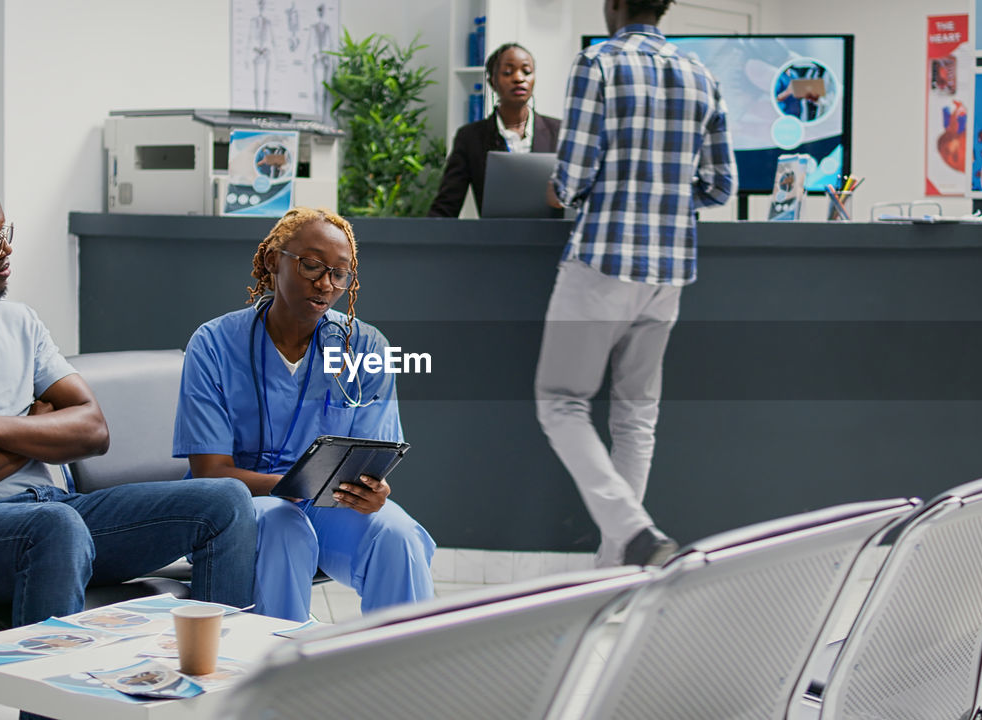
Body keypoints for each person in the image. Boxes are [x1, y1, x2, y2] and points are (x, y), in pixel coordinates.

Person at [0, 163, 258, 629]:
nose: (6, 249)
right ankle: (54, 703)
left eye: (5, 232)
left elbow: (92, 430)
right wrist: (32, 430)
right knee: (54, 528)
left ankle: (215, 688)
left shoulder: (19, 321)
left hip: (56, 512)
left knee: (224, 500)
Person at [537, 0, 737, 568]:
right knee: (635, 416)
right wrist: (667, 202)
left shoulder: (597, 63)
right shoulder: (703, 75)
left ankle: (634, 532)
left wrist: (566, 190)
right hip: (668, 272)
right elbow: (721, 187)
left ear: (614, 5)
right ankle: (618, 569)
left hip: (602, 263)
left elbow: (571, 177)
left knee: (561, 404)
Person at [173, 207, 435, 621]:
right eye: (312, 265)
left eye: (339, 273)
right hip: (242, 503)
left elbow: (371, 457)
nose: (325, 284)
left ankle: (403, 675)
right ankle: (279, 668)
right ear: (274, 260)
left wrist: (373, 491)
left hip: (327, 503)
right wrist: (290, 486)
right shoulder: (214, 344)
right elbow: (209, 471)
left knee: (396, 534)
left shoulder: (365, 348)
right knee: (283, 526)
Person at [428, 42, 562, 217]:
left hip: (551, 240)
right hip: (495, 239)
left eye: (526, 71)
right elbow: (446, 207)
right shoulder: (470, 138)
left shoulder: (560, 132)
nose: (518, 78)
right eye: (508, 72)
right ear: (492, 81)